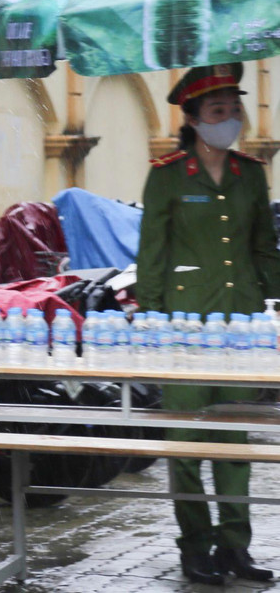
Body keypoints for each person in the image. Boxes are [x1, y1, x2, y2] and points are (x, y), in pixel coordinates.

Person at [136, 63, 280, 586]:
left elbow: (264, 247)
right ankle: (195, 548)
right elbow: (151, 254)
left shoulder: (251, 173)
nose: (231, 119)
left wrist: (275, 302)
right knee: (188, 444)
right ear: (194, 119)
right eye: (219, 111)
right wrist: (149, 325)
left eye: (234, 109)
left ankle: (235, 548)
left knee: (234, 442)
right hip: (182, 328)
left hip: (240, 326)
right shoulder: (168, 175)